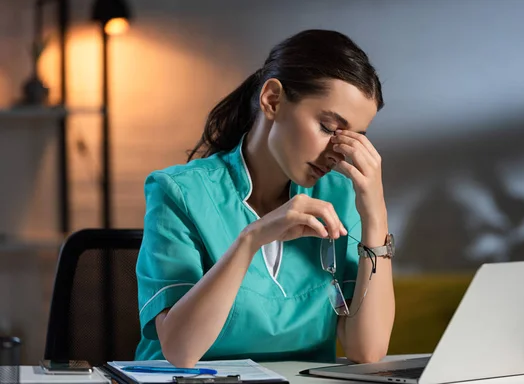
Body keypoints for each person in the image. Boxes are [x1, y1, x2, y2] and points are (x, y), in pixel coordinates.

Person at [135, 29, 395, 368]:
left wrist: (376, 214)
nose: (337, 153)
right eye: (329, 128)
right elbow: (181, 351)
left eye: (352, 138)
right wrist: (252, 239)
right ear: (272, 100)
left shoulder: (342, 198)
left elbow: (368, 351)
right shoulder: (179, 192)